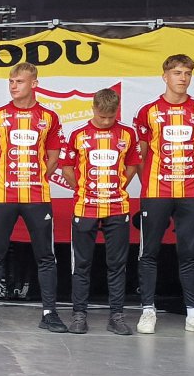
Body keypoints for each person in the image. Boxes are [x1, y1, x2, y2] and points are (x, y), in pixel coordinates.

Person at [131, 54, 194, 336]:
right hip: (156, 191)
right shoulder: (148, 111)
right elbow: (141, 155)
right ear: (165, 76)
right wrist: (150, 183)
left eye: (187, 73)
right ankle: (147, 310)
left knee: (189, 253)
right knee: (149, 252)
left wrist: (192, 179)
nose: (183, 78)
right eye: (177, 73)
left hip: (191, 191)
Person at [0, 63, 65, 332]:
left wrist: (37, 178)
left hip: (37, 197)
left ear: (34, 84)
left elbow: (54, 157)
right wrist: (1, 179)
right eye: (11, 81)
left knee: (45, 256)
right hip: (3, 196)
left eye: (19, 81)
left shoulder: (48, 117)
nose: (14, 86)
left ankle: (49, 313)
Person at [57, 88, 139, 335]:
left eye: (110, 117)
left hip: (117, 207)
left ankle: (117, 316)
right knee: (82, 264)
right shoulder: (78, 134)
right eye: (101, 116)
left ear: (117, 112)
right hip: (85, 207)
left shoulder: (127, 133)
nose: (105, 121)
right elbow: (66, 167)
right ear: (93, 109)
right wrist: (82, 189)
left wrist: (119, 186)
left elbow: (132, 165)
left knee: (117, 264)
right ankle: (79, 315)